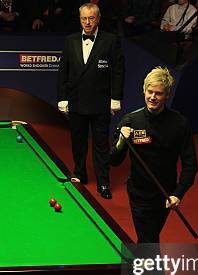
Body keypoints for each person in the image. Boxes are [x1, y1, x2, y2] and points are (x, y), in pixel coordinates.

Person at [111, 66, 198, 275]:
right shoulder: (131, 121)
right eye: (150, 92)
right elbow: (114, 161)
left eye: (159, 93)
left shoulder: (179, 123)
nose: (153, 97)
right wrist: (121, 141)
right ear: (144, 91)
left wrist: (177, 194)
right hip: (138, 195)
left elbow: (191, 165)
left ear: (167, 94)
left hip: (165, 197)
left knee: (144, 243)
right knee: (151, 247)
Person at [57, 2, 125, 199]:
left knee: (101, 145)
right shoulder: (70, 41)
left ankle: (103, 182)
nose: (87, 22)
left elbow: (118, 71)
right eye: (84, 18)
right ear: (79, 19)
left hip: (101, 103)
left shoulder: (111, 40)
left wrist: (115, 98)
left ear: (98, 19)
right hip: (76, 101)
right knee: (78, 142)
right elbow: (63, 72)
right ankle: (79, 174)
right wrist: (62, 98)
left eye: (91, 18)